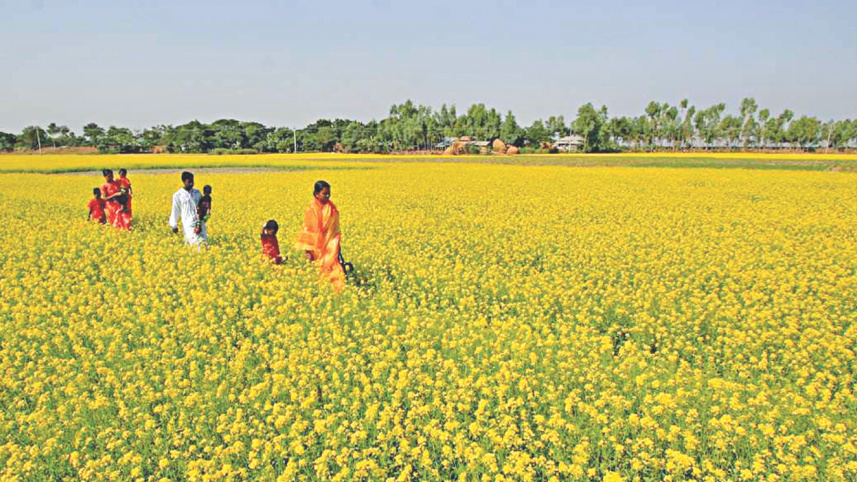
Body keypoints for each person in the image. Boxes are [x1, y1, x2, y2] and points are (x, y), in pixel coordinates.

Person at [295, 180, 345, 292]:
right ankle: (323, 291)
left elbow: (335, 229)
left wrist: (337, 245)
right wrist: (307, 251)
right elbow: (307, 231)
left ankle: (337, 293)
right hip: (316, 249)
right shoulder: (310, 211)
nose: (327, 196)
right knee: (320, 272)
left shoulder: (332, 210)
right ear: (316, 194)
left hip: (331, 247)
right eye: (324, 193)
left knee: (335, 270)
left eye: (329, 193)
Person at [169, 171, 206, 247]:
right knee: (196, 245)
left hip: (199, 224)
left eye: (192, 181)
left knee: (203, 244)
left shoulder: (197, 193)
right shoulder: (177, 195)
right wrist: (174, 225)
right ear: (184, 181)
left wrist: (205, 217)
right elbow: (175, 210)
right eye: (189, 181)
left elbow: (203, 206)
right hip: (188, 225)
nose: (192, 183)